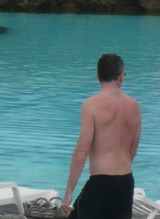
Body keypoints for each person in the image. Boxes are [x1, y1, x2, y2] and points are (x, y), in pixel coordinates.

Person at [61, 53, 142, 219]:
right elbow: (132, 150)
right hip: (126, 182)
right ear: (121, 77)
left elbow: (81, 152)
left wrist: (69, 192)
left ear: (98, 77)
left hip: (101, 182)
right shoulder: (134, 106)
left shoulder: (91, 105)